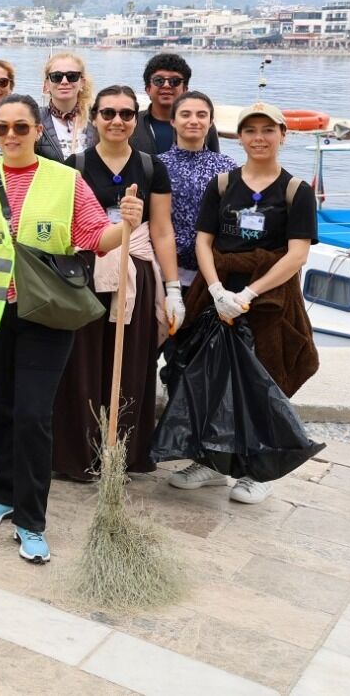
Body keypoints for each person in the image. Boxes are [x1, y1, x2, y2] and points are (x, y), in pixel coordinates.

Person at [0, 94, 134, 564]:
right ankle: (2, 492)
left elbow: (95, 238)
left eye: (21, 128)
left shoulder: (66, 181)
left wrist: (125, 224)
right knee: (2, 407)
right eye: (3, 128)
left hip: (46, 315)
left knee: (32, 414)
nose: (10, 136)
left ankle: (31, 518)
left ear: (36, 132)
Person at [173, 103, 318, 504]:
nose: (259, 138)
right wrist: (218, 290)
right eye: (250, 130)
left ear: (282, 135)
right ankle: (211, 461)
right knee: (211, 378)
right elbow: (204, 240)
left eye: (267, 130)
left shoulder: (296, 191)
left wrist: (249, 295)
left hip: (269, 298)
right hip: (218, 294)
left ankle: (261, 469)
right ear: (240, 136)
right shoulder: (222, 184)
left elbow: (297, 254)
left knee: (264, 381)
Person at [50, 86, 179, 483]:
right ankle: (78, 454)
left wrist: (173, 290)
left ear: (135, 121)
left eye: (126, 114)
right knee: (82, 365)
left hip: (134, 276)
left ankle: (121, 451)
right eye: (108, 113)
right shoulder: (75, 164)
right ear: (95, 118)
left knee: (132, 365)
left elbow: (161, 231)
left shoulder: (151, 167)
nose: (117, 121)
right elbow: (66, 226)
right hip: (87, 273)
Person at [158, 91, 238, 286]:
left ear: (210, 122)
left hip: (211, 271)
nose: (193, 121)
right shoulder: (157, 165)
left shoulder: (226, 166)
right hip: (164, 271)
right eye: (185, 115)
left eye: (201, 115)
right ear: (173, 121)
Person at [134, 53, 219, 155]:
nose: (166, 85)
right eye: (158, 80)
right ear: (148, 89)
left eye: (175, 81)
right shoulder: (133, 123)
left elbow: (215, 159)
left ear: (185, 90)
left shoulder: (201, 125)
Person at [38, 52, 95, 160]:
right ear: (46, 84)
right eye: (56, 77)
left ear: (82, 82)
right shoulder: (34, 119)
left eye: (72, 76)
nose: (64, 82)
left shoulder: (97, 118)